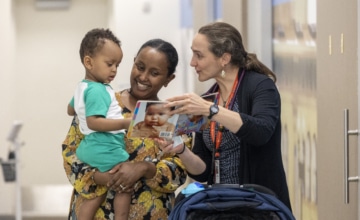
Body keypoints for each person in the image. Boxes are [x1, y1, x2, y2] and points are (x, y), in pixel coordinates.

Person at [158, 21, 292, 210]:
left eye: (199, 55)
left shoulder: (260, 86)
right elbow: (202, 172)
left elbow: (261, 132)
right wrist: (181, 150)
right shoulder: (208, 99)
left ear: (224, 58)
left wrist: (212, 111)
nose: (192, 63)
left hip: (259, 206)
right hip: (221, 205)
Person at [62, 38, 189, 220]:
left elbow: (179, 171)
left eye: (154, 73)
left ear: (169, 79)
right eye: (140, 66)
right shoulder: (101, 101)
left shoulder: (168, 117)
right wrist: (101, 177)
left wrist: (144, 168)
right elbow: (69, 154)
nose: (143, 77)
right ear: (133, 62)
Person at [68, 28, 131, 220]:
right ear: (89, 62)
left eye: (117, 65)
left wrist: (81, 109)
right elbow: (94, 122)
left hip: (89, 146)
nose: (114, 70)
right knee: (125, 184)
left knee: (98, 192)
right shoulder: (97, 90)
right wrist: (127, 123)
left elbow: (70, 110)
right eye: (110, 64)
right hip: (105, 144)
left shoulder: (82, 86)